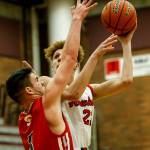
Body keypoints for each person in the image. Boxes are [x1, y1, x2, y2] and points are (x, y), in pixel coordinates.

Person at [5, 0, 97, 150]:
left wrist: (32, 77)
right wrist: (76, 19)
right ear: (29, 90)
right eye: (37, 80)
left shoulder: (23, 120)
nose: (42, 80)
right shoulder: (47, 102)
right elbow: (69, 59)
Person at [44, 25, 136, 149]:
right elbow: (73, 93)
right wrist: (95, 55)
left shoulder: (89, 91)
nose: (60, 58)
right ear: (52, 66)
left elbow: (126, 81)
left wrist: (126, 43)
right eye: (56, 57)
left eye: (64, 55)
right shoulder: (47, 84)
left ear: (75, 64)